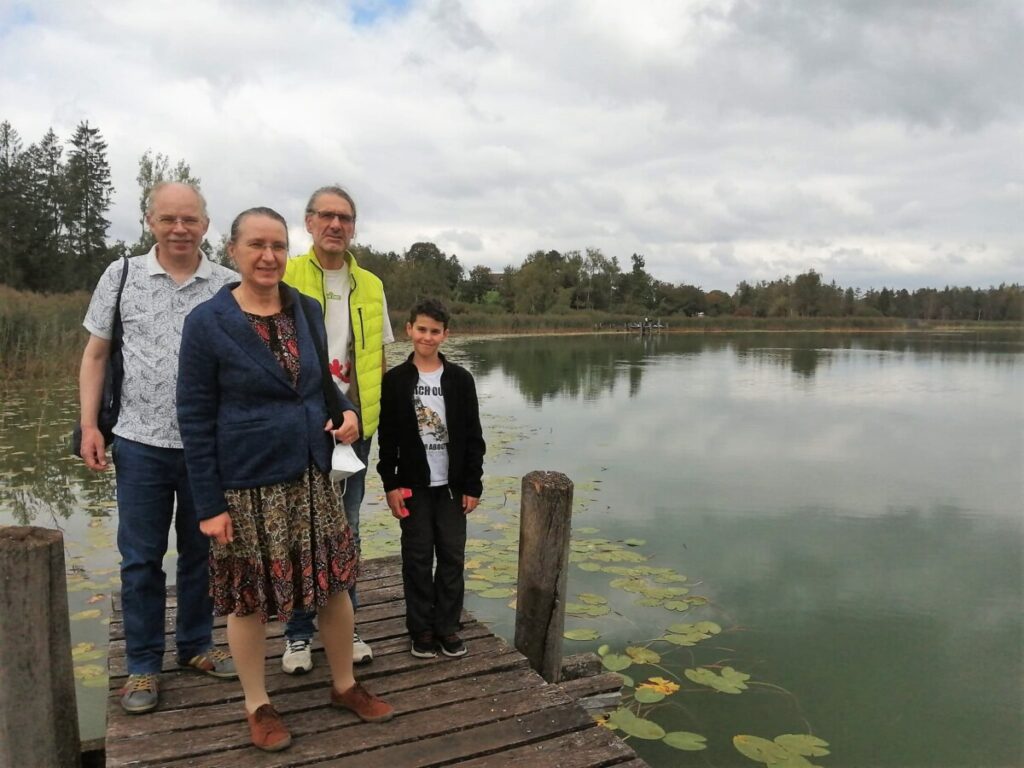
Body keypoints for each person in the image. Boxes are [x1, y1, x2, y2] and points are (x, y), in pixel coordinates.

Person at [176, 207, 393, 753]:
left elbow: (323, 387)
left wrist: (345, 412)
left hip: (311, 476)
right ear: (234, 252)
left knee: (334, 585)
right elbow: (195, 419)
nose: (268, 256)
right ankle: (258, 704)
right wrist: (208, 504)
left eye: (276, 245)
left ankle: (344, 685)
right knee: (247, 599)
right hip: (246, 485)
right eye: (256, 245)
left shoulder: (307, 311)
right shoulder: (207, 323)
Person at [79, 182, 237, 715]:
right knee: (141, 560)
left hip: (207, 448)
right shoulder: (121, 275)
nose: (179, 229)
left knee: (204, 553)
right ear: (151, 221)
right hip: (138, 443)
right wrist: (89, 426)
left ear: (205, 225)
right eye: (168, 218)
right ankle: (143, 665)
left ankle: (195, 645)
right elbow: (96, 354)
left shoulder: (229, 285)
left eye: (189, 219)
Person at [279, 185, 394, 673]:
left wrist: (369, 419)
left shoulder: (370, 284)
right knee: (298, 529)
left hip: (356, 428)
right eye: (326, 216)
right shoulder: (285, 275)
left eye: (345, 218)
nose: (336, 225)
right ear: (308, 223)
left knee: (347, 530)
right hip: (302, 425)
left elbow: (379, 359)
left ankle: (346, 626)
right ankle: (299, 634)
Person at [377, 299, 486, 658]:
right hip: (414, 487)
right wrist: (391, 485)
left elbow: (473, 436)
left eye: (434, 331)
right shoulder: (395, 381)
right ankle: (421, 629)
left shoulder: (460, 379)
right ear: (409, 329)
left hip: (452, 488)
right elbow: (388, 438)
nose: (427, 337)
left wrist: (473, 485)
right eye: (421, 329)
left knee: (452, 558)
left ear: (445, 335)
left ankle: (448, 627)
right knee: (418, 558)